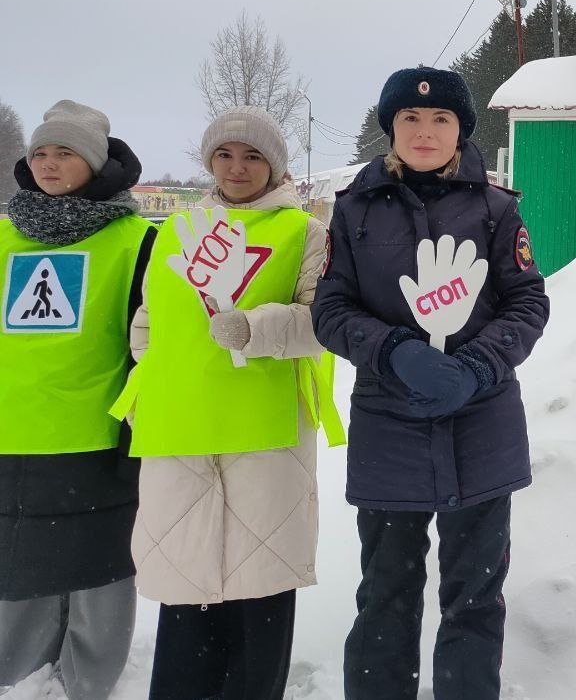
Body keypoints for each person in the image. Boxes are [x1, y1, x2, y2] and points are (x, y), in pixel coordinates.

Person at [311, 67, 550, 700]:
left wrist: (477, 366)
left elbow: (528, 302)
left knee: (474, 599)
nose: (425, 131)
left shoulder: (496, 210)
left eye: (441, 118)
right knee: (384, 594)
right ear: (391, 128)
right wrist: (394, 351)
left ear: (461, 130)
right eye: (410, 118)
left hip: (482, 425)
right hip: (389, 426)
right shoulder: (354, 210)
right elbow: (330, 311)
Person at [112, 106, 341, 700]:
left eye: (252, 156)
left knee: (259, 595)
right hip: (180, 431)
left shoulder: (304, 233)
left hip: (262, 435)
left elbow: (323, 322)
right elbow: (149, 320)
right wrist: (154, 377)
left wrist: (254, 329)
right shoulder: (176, 231)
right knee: (187, 594)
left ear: (275, 165)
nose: (237, 167)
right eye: (224, 155)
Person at [0, 101, 156, 698]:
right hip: (14, 432)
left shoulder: (137, 241)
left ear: (95, 162)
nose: (48, 163)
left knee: (100, 567)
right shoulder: (5, 237)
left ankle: (92, 681)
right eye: (40, 152)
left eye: (64, 152)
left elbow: (150, 344)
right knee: (21, 563)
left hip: (97, 431)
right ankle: (22, 676)